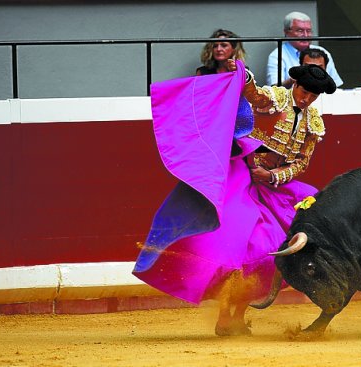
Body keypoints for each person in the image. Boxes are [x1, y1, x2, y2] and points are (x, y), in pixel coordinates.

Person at [133, 60, 336, 337]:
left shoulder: (314, 122)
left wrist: (274, 176)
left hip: (272, 190)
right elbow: (254, 94)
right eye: (305, 93)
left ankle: (237, 315)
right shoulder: (277, 98)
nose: (307, 99)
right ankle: (225, 315)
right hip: (239, 177)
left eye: (313, 97)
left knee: (266, 254)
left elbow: (301, 163)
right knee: (230, 245)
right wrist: (244, 74)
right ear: (296, 85)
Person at [266, 11, 343, 88]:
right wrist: (292, 80)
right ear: (286, 32)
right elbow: (274, 88)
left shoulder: (322, 52)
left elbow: (335, 85)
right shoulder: (277, 55)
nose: (305, 35)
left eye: (308, 31)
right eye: (300, 31)